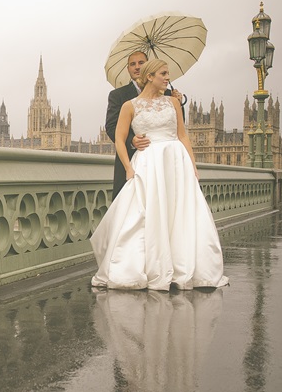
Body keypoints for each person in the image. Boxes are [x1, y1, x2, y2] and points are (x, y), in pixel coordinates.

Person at [91, 59, 228, 291]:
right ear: (149, 76)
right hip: (147, 163)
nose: (167, 77)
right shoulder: (129, 105)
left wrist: (193, 165)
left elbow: (183, 135)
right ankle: (146, 266)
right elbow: (119, 138)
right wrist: (128, 168)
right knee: (147, 214)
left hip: (176, 162)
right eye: (163, 73)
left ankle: (180, 266)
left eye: (167, 73)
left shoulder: (174, 102)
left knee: (179, 213)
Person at [105, 51, 184, 199]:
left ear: (148, 66)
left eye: (141, 63)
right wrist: (131, 140)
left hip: (165, 160)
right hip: (132, 159)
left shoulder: (168, 94)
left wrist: (179, 103)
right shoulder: (117, 95)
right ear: (128, 69)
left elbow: (177, 127)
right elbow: (111, 127)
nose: (137, 67)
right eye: (132, 64)